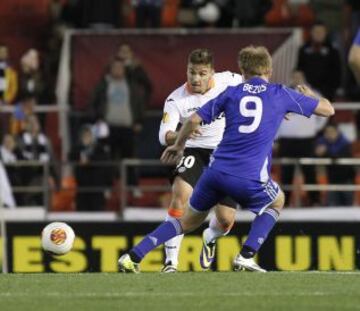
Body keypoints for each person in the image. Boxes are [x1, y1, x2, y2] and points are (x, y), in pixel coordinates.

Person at [118, 45, 334, 273]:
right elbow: (328, 110)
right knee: (277, 201)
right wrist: (309, 96)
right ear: (269, 71)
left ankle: (133, 256)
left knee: (187, 222)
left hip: (215, 171)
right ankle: (246, 254)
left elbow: (192, 121)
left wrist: (179, 145)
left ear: (242, 71)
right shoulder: (280, 93)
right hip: (248, 175)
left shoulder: (231, 92)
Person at [157, 48, 243, 273]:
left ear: (212, 73)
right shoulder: (176, 99)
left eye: (201, 73)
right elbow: (164, 134)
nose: (195, 78)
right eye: (191, 72)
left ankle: (210, 237)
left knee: (225, 220)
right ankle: (170, 264)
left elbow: (259, 88)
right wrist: (180, 135)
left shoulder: (229, 80)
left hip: (224, 153)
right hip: (192, 151)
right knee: (181, 195)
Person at [315, 123, 355, 206]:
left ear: (338, 132)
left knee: (348, 208)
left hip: (346, 181)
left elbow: (337, 160)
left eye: (332, 132)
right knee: (331, 208)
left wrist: (325, 152)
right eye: (327, 132)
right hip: (332, 181)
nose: (330, 135)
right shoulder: (323, 142)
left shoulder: (345, 144)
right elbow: (315, 153)